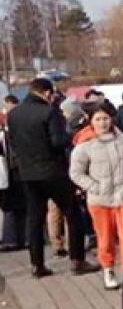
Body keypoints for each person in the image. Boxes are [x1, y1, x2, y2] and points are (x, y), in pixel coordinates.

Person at [6, 78, 97, 277]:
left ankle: (37, 265)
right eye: (53, 94)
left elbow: (13, 143)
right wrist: (69, 137)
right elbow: (58, 141)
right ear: (47, 93)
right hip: (53, 172)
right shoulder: (49, 112)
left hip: (28, 174)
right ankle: (78, 260)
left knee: (35, 219)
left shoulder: (13, 115)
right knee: (73, 214)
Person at [69, 101, 123, 290]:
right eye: (98, 119)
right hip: (99, 200)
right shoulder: (84, 145)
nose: (103, 123)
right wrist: (94, 187)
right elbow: (76, 173)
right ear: (91, 121)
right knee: (105, 237)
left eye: (106, 118)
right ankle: (108, 269)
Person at [0, 95, 26, 252]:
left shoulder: (6, 135)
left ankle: (11, 239)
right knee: (21, 207)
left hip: (9, 173)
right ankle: (21, 238)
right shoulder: (14, 134)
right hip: (16, 172)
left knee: (10, 208)